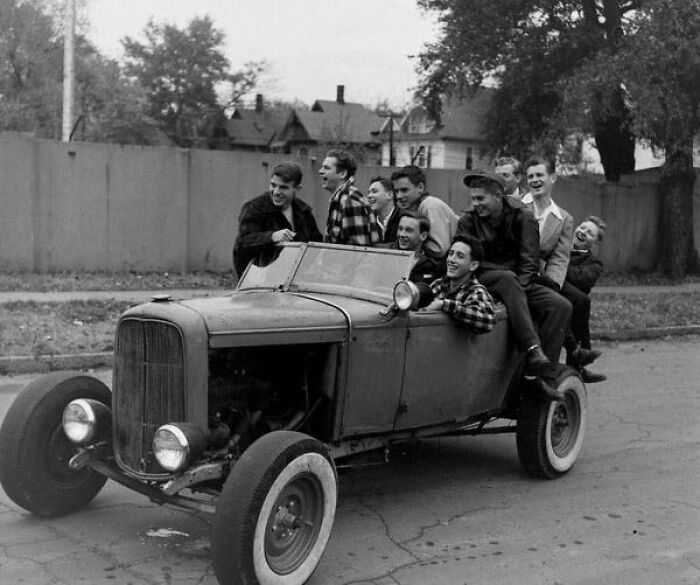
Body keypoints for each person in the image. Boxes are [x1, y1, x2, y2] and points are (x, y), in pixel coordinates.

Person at [457, 169, 572, 398]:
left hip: (519, 281)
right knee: (507, 278)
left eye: (481, 198)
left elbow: (529, 262)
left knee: (561, 306)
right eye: (473, 198)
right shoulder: (468, 220)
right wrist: (509, 280)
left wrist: (519, 287)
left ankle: (541, 377)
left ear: (498, 196)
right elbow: (463, 259)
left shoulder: (523, 216)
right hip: (480, 277)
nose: (475, 204)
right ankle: (532, 348)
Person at [233, 162, 323, 277]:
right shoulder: (254, 208)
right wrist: (272, 237)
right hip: (258, 282)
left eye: (283, 187)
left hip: (294, 280)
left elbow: (316, 244)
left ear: (298, 188)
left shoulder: (304, 211)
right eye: (273, 185)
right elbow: (242, 244)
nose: (276, 192)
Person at [562, 216, 608, 383]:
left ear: (594, 243)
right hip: (556, 295)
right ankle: (580, 360)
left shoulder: (594, 264)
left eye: (589, 233)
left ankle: (576, 366)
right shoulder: (560, 246)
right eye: (582, 227)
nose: (583, 232)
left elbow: (580, 278)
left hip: (572, 308)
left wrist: (557, 264)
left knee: (578, 303)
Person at [521, 156, 574, 291]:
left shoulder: (564, 219)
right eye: (530, 176)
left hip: (540, 278)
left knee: (577, 301)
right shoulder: (516, 206)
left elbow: (559, 258)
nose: (534, 180)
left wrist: (552, 286)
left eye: (539, 175)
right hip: (515, 274)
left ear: (553, 178)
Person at [425, 234, 495, 334]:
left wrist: (444, 305)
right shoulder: (439, 284)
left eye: (460, 256)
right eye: (451, 254)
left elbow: (487, 321)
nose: (451, 260)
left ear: (473, 265)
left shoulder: (476, 291)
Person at [391, 165, 458, 257]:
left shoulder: (430, 205)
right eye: (396, 191)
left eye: (404, 190)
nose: (399, 196)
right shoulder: (412, 208)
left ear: (420, 187)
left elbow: (438, 250)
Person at [319, 149, 380, 246]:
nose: (320, 171)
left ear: (342, 174)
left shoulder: (349, 200)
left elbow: (358, 251)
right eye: (322, 167)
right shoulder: (339, 199)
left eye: (326, 168)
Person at [385, 211, 444, 285]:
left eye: (408, 230)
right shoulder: (383, 253)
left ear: (423, 236)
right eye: (400, 229)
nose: (402, 234)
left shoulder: (432, 266)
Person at [367, 176, 400, 243]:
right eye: (368, 192)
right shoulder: (367, 221)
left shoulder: (403, 218)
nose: (369, 196)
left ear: (390, 195)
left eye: (374, 191)